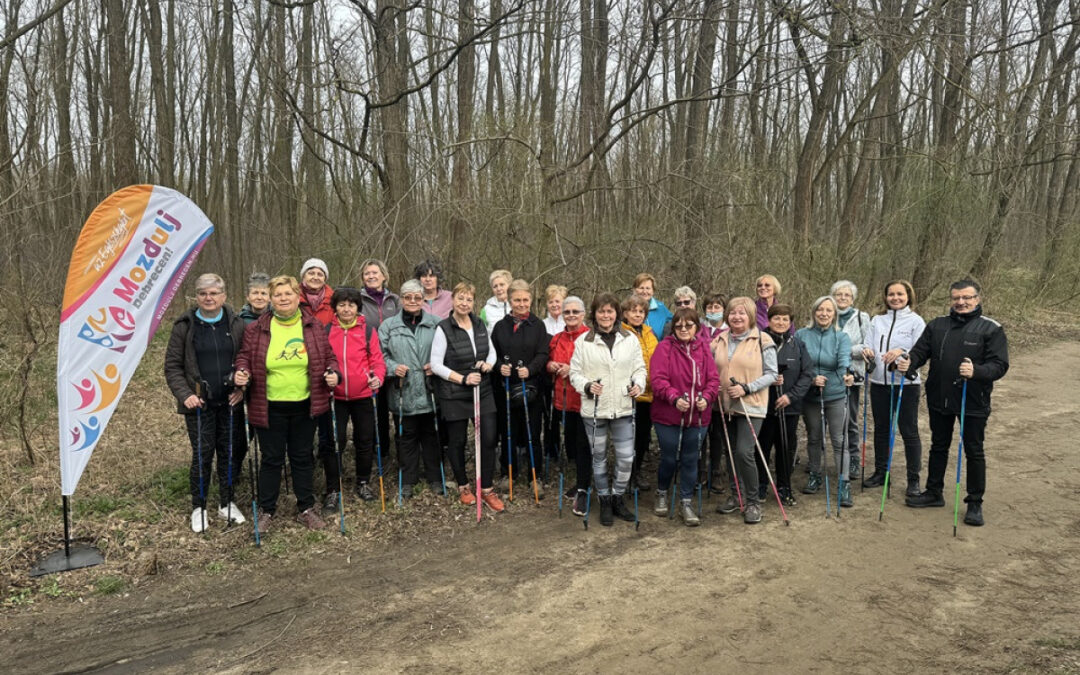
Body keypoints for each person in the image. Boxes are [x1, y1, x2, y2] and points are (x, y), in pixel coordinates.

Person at [234, 275, 340, 533]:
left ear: (297, 297)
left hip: (306, 402)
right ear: (271, 299)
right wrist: (241, 372)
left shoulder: (312, 326)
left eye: (288, 294)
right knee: (271, 459)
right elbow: (244, 358)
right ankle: (267, 510)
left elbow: (330, 358)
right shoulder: (256, 329)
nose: (283, 298)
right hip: (269, 404)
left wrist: (333, 374)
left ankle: (306, 507)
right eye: (278, 294)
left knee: (302, 457)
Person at [899, 278, 1008, 526]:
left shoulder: (991, 329)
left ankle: (975, 502)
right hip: (940, 395)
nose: (961, 302)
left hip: (973, 400)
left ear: (977, 299)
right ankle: (934, 492)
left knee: (974, 450)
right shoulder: (937, 325)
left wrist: (977, 371)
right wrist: (908, 363)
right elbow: (919, 352)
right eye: (957, 298)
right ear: (951, 299)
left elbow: (999, 365)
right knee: (938, 445)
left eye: (967, 298)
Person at [165, 273, 248, 532]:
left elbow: (246, 360)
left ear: (223, 296)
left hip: (230, 401)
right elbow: (172, 367)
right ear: (196, 297)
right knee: (202, 454)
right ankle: (198, 507)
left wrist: (243, 387)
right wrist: (186, 394)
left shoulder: (236, 324)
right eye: (203, 293)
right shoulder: (184, 326)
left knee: (229, 453)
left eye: (213, 293)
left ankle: (226, 502)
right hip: (198, 404)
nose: (208, 298)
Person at [569, 293, 647, 526]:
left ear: (617, 313)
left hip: (623, 407)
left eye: (610, 311)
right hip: (595, 409)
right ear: (595, 314)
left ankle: (617, 498)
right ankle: (604, 500)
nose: (606, 315)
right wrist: (586, 385)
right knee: (599, 458)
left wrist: (639, 385)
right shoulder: (583, 341)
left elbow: (639, 368)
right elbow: (575, 373)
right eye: (601, 311)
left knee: (626, 458)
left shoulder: (629, 339)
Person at [430, 282, 503, 510]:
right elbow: (435, 364)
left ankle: (487, 488)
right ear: (453, 301)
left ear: (474, 302)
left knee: (489, 439)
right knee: (458, 441)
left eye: (469, 299)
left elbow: (491, 352)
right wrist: (462, 379)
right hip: (454, 393)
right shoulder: (443, 328)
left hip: (483, 390)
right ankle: (463, 485)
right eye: (460, 298)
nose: (464, 303)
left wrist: (488, 364)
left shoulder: (479, 324)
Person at [650, 306, 720, 526]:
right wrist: (673, 397)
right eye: (678, 325)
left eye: (688, 325)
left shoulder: (704, 349)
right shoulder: (664, 348)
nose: (683, 329)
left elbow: (713, 380)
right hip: (668, 413)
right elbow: (658, 379)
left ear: (696, 327)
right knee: (669, 456)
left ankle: (686, 501)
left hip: (698, 415)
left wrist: (707, 398)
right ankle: (662, 492)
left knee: (691, 458)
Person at [714, 296, 777, 524]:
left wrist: (747, 388)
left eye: (742, 313)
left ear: (750, 316)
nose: (737, 317)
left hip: (752, 405)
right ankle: (736, 495)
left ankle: (752, 502)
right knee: (730, 453)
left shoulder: (763, 339)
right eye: (732, 313)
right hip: (724, 405)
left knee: (744, 452)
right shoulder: (719, 339)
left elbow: (771, 374)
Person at [861, 280, 926, 497]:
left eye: (900, 294)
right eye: (891, 294)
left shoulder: (916, 321)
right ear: (885, 297)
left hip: (905, 384)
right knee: (881, 429)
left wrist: (902, 352)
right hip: (880, 383)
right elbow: (868, 345)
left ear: (908, 296)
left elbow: (922, 351)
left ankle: (913, 479)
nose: (895, 298)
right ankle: (881, 472)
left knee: (909, 431)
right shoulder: (877, 320)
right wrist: (867, 353)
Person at [379, 280, 443, 497]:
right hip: (402, 390)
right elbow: (380, 356)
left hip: (429, 390)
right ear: (402, 300)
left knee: (431, 436)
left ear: (424, 299)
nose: (413, 301)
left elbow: (447, 351)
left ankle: (435, 477)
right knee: (406, 437)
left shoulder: (437, 323)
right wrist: (393, 367)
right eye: (408, 297)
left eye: (417, 297)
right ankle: (408, 479)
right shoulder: (389, 326)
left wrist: (436, 366)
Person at [325, 286, 385, 506]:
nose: (346, 309)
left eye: (351, 305)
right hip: (336, 397)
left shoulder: (368, 330)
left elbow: (377, 361)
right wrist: (326, 377)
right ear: (335, 308)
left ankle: (363, 481)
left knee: (365, 440)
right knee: (334, 441)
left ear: (357, 307)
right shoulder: (326, 331)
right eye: (342, 305)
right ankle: (333, 487)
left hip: (363, 395)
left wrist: (377, 378)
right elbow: (321, 361)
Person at [491, 279, 550, 496]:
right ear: (510, 300)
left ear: (531, 300)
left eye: (525, 300)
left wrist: (532, 369)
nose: (522, 304)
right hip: (506, 388)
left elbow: (543, 353)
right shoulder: (500, 326)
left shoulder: (538, 325)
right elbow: (492, 354)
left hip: (530, 387)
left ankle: (536, 476)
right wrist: (499, 367)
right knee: (508, 432)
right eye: (517, 300)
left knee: (533, 432)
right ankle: (508, 473)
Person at [796, 296, 854, 505]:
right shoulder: (801, 334)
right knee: (814, 437)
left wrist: (846, 374)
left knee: (839, 439)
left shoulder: (841, 337)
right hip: (811, 396)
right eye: (820, 309)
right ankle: (814, 474)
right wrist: (811, 379)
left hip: (835, 394)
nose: (824, 314)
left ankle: (844, 482)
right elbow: (799, 364)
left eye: (829, 310)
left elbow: (843, 362)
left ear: (834, 314)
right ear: (813, 312)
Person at [755, 303, 813, 506]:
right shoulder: (757, 341)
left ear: (790, 323)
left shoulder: (797, 345)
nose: (780, 322)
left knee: (786, 448)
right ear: (769, 320)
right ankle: (760, 485)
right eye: (776, 318)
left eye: (785, 319)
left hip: (789, 408)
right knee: (761, 447)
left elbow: (807, 374)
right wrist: (768, 378)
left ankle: (784, 486)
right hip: (763, 406)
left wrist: (790, 396)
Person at [547, 295, 591, 514]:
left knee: (585, 446)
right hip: (563, 400)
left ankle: (585, 486)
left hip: (585, 400)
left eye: (575, 312)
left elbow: (594, 367)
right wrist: (551, 365)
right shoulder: (556, 338)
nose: (571, 315)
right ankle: (580, 482)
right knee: (572, 444)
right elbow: (547, 361)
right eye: (567, 312)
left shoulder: (591, 337)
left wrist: (570, 369)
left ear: (583, 314)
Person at [358, 258, 401, 476]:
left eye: (375, 272)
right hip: (369, 363)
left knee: (397, 409)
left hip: (394, 362)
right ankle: (380, 453)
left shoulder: (395, 300)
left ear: (384, 275)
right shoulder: (358, 300)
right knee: (377, 411)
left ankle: (401, 453)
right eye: (367, 273)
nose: (371, 276)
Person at [300, 258, 337, 501]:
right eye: (310, 273)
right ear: (303, 277)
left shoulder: (334, 302)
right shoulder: (294, 301)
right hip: (300, 372)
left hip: (328, 371)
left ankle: (331, 483)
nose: (315, 276)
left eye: (319, 273)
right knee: (303, 432)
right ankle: (305, 478)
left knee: (327, 432)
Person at [832, 280, 871, 480]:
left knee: (851, 419)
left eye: (847, 295)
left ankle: (854, 457)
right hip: (830, 375)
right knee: (830, 418)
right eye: (839, 295)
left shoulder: (862, 318)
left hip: (853, 375)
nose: (843, 298)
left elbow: (867, 346)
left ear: (853, 298)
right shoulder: (826, 313)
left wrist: (843, 349)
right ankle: (833, 458)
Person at [621, 294, 658, 491]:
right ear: (625, 314)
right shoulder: (622, 334)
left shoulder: (650, 333)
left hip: (649, 395)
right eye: (633, 311)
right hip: (630, 395)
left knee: (643, 437)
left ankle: (637, 471)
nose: (637, 314)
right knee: (627, 438)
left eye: (641, 311)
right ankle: (625, 475)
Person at [541, 284, 568, 470]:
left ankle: (569, 451)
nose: (554, 305)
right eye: (551, 302)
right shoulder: (543, 324)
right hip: (548, 375)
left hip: (567, 377)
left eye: (557, 301)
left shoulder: (569, 321)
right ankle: (551, 448)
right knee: (549, 415)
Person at [633, 272, 672, 337]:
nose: (645, 291)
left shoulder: (661, 308)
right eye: (641, 288)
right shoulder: (627, 309)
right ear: (634, 290)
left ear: (653, 291)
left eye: (648, 288)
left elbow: (674, 323)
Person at [300, 258, 335, 326]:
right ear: (304, 276)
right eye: (311, 273)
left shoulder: (334, 300)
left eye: (320, 274)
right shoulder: (293, 298)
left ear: (324, 279)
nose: (315, 277)